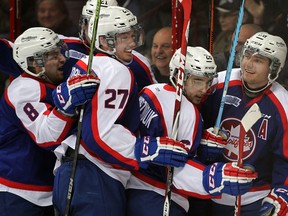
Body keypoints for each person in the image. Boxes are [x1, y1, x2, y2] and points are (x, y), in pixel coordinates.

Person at [52, 6, 188, 216]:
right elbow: (99, 135)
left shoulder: (86, 63)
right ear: (105, 41)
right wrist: (149, 149)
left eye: (132, 35)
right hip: (95, 177)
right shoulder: (116, 70)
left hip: (68, 173)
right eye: (124, 37)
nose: (132, 43)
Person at [126, 46, 258, 216]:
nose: (204, 89)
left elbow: (164, 148)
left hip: (132, 190)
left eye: (207, 81)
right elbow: (176, 170)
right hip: (160, 197)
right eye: (197, 81)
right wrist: (214, 177)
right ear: (178, 76)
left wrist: (201, 147)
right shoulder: (188, 111)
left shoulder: (150, 90)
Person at [0, 27, 99, 216]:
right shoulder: (25, 89)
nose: (63, 59)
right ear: (34, 63)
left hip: (39, 191)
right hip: (17, 193)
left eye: (60, 52)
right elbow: (46, 136)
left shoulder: (44, 84)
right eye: (54, 55)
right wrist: (66, 106)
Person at [200, 32, 288, 215]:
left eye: (259, 60)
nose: (248, 64)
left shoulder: (283, 104)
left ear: (274, 67)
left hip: (255, 199)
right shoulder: (219, 83)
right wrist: (201, 140)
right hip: (207, 187)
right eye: (247, 55)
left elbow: (285, 159)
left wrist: (283, 191)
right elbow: (190, 118)